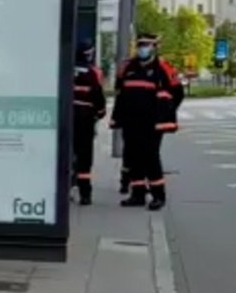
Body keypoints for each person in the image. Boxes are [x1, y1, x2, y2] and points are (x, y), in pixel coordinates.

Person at [111, 33, 184, 210]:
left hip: (152, 123)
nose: (142, 48)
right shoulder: (128, 68)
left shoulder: (163, 69)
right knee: (133, 157)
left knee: (150, 157)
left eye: (147, 45)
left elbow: (177, 93)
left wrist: (165, 112)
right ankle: (137, 194)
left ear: (154, 47)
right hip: (131, 121)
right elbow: (119, 91)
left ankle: (158, 195)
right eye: (140, 45)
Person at [71, 41, 107, 205]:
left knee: (66, 155)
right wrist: (99, 114)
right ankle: (85, 194)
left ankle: (66, 188)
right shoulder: (93, 73)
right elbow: (99, 98)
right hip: (85, 120)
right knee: (85, 158)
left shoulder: (64, 69)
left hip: (67, 119)